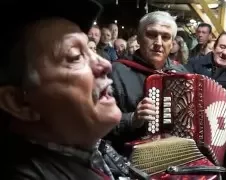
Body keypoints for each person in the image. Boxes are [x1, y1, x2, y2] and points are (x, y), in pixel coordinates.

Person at [0, 1, 136, 179]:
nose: (105, 64)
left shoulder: (87, 149)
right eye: (75, 56)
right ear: (19, 101)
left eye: (90, 49)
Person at [106, 11, 188, 154]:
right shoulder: (115, 71)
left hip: (174, 154)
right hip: (131, 157)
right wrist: (132, 119)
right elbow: (99, 123)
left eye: (166, 37)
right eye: (151, 35)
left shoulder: (180, 71)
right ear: (138, 38)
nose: (158, 43)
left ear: (172, 43)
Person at [185, 31, 226, 144]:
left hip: (218, 134)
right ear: (214, 47)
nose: (225, 52)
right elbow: (184, 95)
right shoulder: (194, 64)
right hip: (188, 128)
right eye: (222, 46)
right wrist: (220, 97)